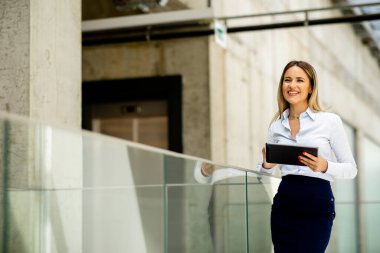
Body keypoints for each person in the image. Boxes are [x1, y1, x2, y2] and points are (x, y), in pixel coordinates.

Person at [257, 60, 357, 253]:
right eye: (287, 80)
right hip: (285, 201)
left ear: (310, 87)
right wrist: (266, 165)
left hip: (316, 201)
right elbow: (261, 174)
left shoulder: (329, 121)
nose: (292, 85)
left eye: (299, 80)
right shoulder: (277, 126)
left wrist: (325, 166)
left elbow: (351, 168)